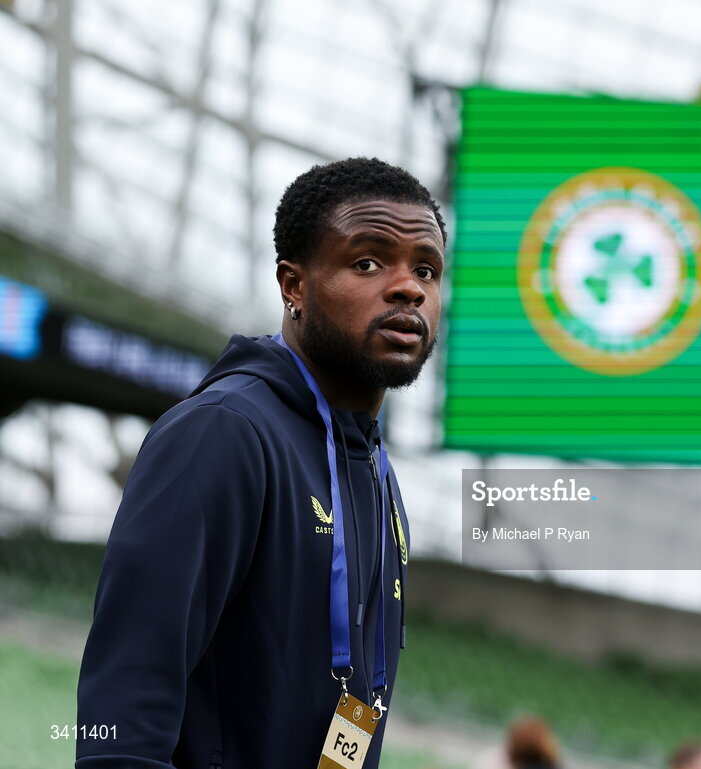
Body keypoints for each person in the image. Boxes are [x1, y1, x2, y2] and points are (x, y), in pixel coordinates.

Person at [76, 157, 446, 769]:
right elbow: (127, 693)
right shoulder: (222, 434)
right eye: (368, 262)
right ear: (293, 285)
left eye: (426, 270)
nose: (409, 287)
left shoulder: (376, 470)